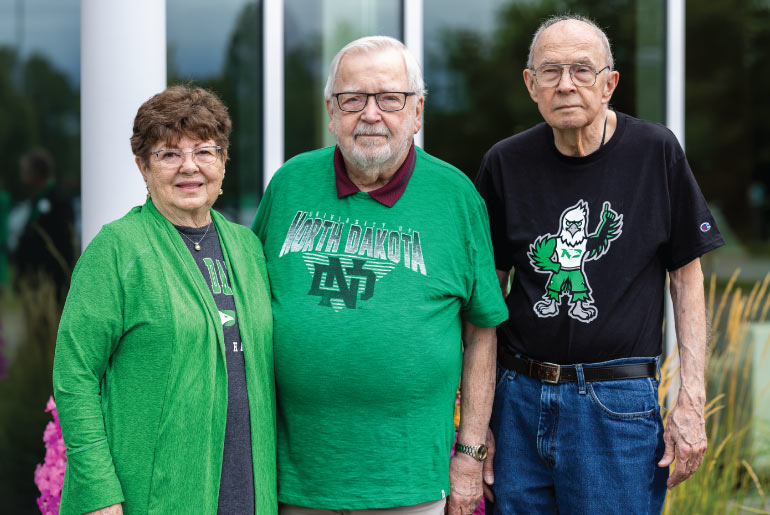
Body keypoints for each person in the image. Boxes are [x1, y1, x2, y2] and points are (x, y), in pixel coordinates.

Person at [474, 15, 725, 514]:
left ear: (609, 83)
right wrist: (476, 421)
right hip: (518, 401)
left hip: (617, 406)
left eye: (582, 70)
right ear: (531, 85)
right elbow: (485, 299)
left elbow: (686, 277)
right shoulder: (504, 164)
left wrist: (692, 401)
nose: (566, 84)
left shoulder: (656, 153)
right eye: (550, 71)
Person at [252, 36, 508, 515]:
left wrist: (470, 454)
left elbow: (483, 332)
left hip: (409, 481)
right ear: (331, 111)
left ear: (417, 111)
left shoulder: (455, 197)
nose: (370, 114)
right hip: (293, 478)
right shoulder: (289, 185)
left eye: (390, 98)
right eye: (353, 99)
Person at [53, 85, 276, 515]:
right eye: (169, 154)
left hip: (249, 490)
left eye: (205, 152)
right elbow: (74, 375)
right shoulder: (117, 249)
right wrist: (100, 495)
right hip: (152, 496)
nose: (189, 167)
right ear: (143, 166)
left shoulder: (247, 248)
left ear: (224, 162)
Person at [10, 148, 76, 302]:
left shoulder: (59, 201)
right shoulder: (36, 201)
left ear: (37, 172)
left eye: (25, 170)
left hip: (52, 283)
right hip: (35, 282)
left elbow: (62, 244)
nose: (22, 175)